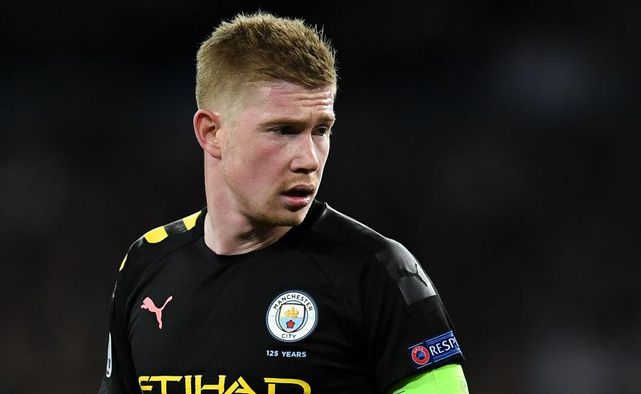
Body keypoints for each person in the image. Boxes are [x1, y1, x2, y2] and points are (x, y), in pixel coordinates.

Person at [99, 12, 468, 394]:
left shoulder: (377, 273)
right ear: (211, 133)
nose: (308, 159)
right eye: (283, 130)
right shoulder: (146, 264)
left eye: (321, 130)